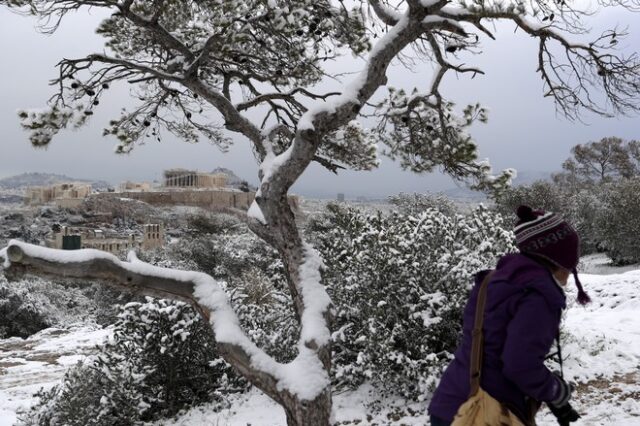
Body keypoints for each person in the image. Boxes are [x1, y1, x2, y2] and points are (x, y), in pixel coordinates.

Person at [428, 205, 589, 426]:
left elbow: (492, 348)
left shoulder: (493, 280)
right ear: (562, 258)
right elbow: (519, 365)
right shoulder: (539, 295)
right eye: (572, 259)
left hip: (451, 403)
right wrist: (555, 390)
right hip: (486, 413)